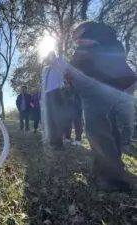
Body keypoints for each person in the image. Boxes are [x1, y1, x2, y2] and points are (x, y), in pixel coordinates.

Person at [68, 21, 137, 192]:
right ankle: (102, 169)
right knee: (108, 128)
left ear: (82, 28)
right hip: (117, 86)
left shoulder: (88, 38)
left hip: (98, 88)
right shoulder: (105, 37)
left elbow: (80, 64)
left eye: (73, 32)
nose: (72, 37)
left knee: (95, 130)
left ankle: (115, 179)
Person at [41, 52, 70, 151]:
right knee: (50, 120)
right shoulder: (47, 69)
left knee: (57, 119)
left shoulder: (59, 65)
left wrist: (55, 58)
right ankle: (53, 142)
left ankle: (59, 143)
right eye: (49, 57)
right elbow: (44, 84)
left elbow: (63, 62)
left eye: (51, 57)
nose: (50, 59)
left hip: (57, 92)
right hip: (48, 95)